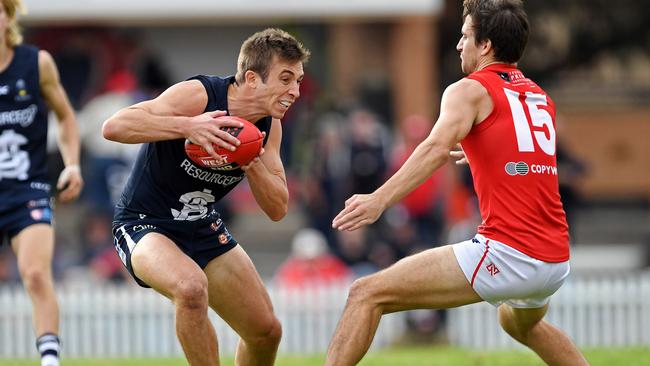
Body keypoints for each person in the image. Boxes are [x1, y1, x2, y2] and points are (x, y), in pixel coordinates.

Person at [325, 1, 589, 365]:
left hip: (510, 254)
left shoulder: (468, 89)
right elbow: (523, 155)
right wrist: (483, 154)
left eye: (465, 36)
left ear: (486, 46)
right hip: (555, 258)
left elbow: (435, 148)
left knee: (364, 293)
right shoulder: (538, 97)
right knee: (520, 325)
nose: (458, 45)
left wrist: (378, 200)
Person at [102, 28, 309, 365]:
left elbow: (278, 208)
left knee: (266, 332)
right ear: (253, 78)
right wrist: (188, 126)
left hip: (202, 224)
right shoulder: (199, 94)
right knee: (190, 287)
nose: (295, 91)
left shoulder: (270, 126)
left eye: (298, 80)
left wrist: (251, 159)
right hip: (144, 224)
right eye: (286, 79)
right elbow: (114, 126)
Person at [0, 1, 83, 366]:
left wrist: (73, 165)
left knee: (34, 273)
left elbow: (65, 118)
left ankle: (49, 359)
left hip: (27, 187)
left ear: (8, 17)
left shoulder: (36, 63)